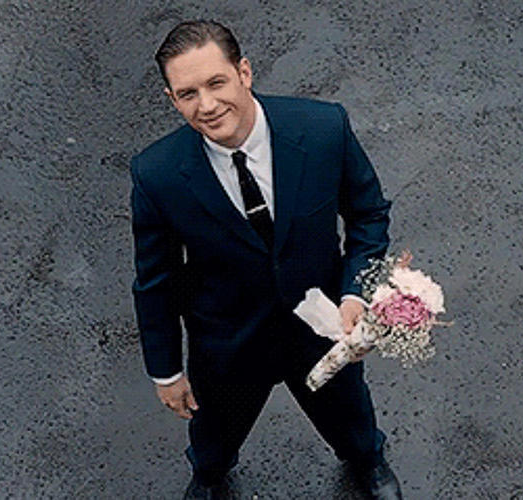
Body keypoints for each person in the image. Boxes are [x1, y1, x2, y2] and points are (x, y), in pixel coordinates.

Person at [129, 20, 402, 499]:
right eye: (188, 93)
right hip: (227, 341)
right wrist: (166, 372)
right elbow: (157, 281)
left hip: (321, 328)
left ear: (245, 72)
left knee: (349, 416)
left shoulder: (323, 130)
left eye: (216, 83)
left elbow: (368, 215)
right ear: (172, 100)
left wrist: (355, 293)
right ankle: (209, 477)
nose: (207, 105)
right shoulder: (157, 174)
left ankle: (367, 462)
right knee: (214, 439)